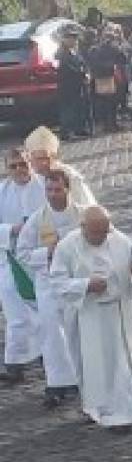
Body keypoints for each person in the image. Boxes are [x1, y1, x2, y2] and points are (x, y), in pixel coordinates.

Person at [51, 206, 132, 429]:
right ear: (83, 228)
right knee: (98, 367)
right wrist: (86, 285)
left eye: (104, 232)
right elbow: (57, 283)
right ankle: (101, 410)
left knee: (123, 364)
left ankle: (128, 411)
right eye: (96, 233)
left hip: (119, 313)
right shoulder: (68, 247)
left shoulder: (118, 240)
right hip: (90, 317)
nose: (101, 238)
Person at [19, 169, 83, 407]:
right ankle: (56, 384)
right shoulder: (38, 219)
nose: (53, 195)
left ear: (68, 189)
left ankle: (80, 380)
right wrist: (47, 252)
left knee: (78, 333)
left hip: (77, 283)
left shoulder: (81, 215)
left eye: (57, 190)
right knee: (52, 335)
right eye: (48, 190)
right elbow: (23, 254)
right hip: (48, 285)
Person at [0, 148, 44, 382]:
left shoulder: (45, 186)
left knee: (45, 310)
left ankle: (48, 356)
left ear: (30, 163)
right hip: (11, 259)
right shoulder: (2, 191)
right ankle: (15, 363)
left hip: (41, 257)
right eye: (13, 166)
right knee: (15, 311)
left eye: (22, 164)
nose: (19, 170)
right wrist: (11, 230)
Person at [56, 25, 92, 139]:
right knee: (68, 109)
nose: (74, 41)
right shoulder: (62, 53)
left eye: (75, 38)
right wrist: (82, 74)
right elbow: (68, 68)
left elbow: (83, 63)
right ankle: (66, 132)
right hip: (67, 85)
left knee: (78, 107)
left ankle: (79, 129)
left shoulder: (75, 52)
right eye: (71, 38)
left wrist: (86, 73)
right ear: (65, 40)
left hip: (78, 84)